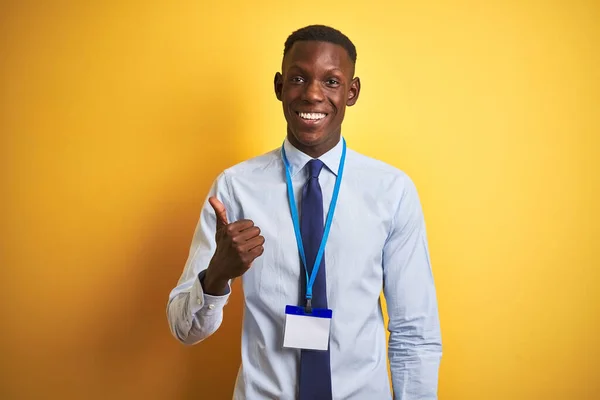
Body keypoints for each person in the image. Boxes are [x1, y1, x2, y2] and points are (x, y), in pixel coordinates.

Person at [167, 24, 442, 400]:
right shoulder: (234, 188)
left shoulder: (391, 191)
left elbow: (415, 331)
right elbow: (185, 329)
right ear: (279, 86)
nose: (313, 94)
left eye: (331, 82)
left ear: (352, 92)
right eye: (298, 78)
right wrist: (217, 275)